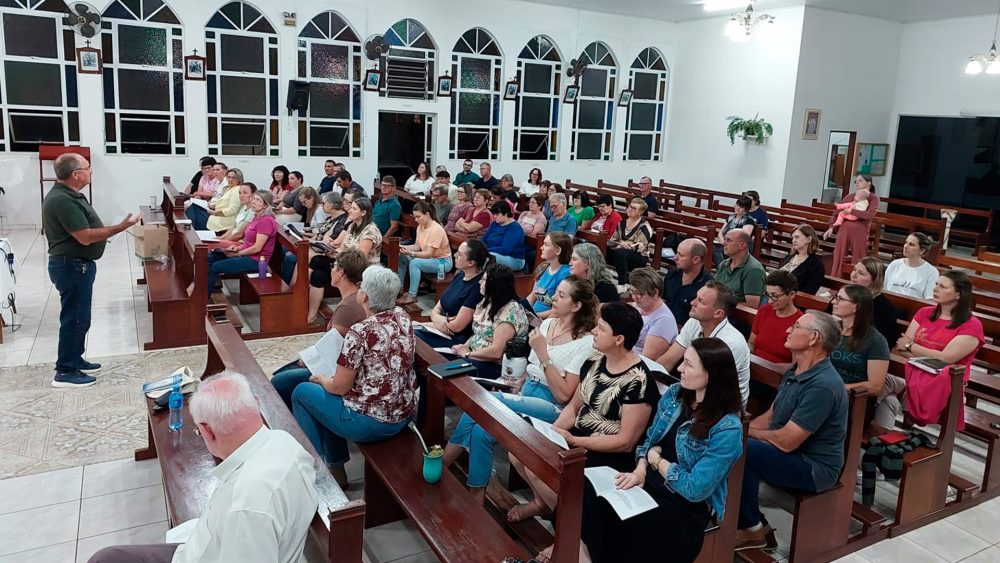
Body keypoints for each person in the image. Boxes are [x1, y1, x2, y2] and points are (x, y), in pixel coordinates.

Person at [88, 373, 319, 563]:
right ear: (256, 405)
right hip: (204, 545)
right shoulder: (284, 441)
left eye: (199, 432)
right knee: (109, 558)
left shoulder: (247, 505)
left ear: (208, 431)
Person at [573, 338, 745, 563]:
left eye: (689, 364)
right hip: (649, 482)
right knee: (588, 493)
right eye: (683, 361)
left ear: (711, 375)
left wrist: (656, 460)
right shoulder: (676, 395)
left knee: (635, 527)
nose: (680, 368)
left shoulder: (727, 429)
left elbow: (695, 488)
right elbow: (648, 441)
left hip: (683, 505)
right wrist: (640, 470)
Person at [443, 276, 598, 503]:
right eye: (556, 292)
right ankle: (476, 497)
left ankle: (444, 461)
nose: (553, 298)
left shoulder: (585, 344)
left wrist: (543, 354)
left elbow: (564, 394)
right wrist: (520, 380)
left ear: (576, 306)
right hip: (526, 390)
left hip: (551, 404)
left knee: (484, 399)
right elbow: (532, 366)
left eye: (561, 295)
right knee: (480, 432)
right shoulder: (547, 324)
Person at [507, 302, 659, 523]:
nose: (594, 331)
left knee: (540, 468)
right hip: (578, 437)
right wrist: (553, 432)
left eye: (601, 329)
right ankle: (544, 504)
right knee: (518, 452)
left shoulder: (639, 381)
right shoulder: (595, 361)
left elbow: (626, 442)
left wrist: (574, 440)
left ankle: (570, 528)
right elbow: (574, 407)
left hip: (607, 452)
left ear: (619, 339)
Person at [292, 267, 417, 483]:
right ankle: (335, 466)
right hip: (402, 414)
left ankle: (314, 472)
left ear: (364, 296)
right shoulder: (402, 316)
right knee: (324, 400)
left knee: (303, 392)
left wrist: (322, 379)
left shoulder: (360, 331)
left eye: (361, 287)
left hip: (370, 422)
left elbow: (339, 388)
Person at [735, 312, 848, 551]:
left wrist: (746, 436)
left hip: (814, 466)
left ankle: (750, 528)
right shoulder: (795, 370)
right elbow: (770, 417)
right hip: (792, 453)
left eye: (795, 326)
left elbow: (787, 441)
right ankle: (745, 519)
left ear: (813, 338)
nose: (788, 330)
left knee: (747, 451)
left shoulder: (824, 385)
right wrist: (739, 430)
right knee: (731, 440)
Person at [43, 154, 141, 387]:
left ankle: (75, 359)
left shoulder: (70, 195)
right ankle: (65, 371)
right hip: (71, 265)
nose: (91, 172)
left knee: (81, 317)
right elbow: (85, 236)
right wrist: (120, 227)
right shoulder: (63, 200)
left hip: (77, 264)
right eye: (88, 168)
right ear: (76, 174)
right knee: (75, 318)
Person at [274, 251, 369, 412]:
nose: (331, 270)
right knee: (285, 371)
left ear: (341, 272)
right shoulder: (352, 299)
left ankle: (291, 420)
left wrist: (308, 360)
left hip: (338, 371)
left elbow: (332, 347)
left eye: (334, 266)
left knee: (279, 381)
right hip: (342, 364)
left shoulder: (349, 307)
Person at [894, 271, 985, 430]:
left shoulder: (971, 325)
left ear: (958, 294)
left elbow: (945, 359)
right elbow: (901, 346)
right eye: (936, 284)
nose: (935, 289)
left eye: (943, 286)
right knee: (883, 395)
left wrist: (911, 347)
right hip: (913, 373)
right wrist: (916, 350)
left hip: (946, 383)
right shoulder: (924, 313)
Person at [655, 281, 750, 405]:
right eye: (696, 297)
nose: (692, 302)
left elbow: (711, 387)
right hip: (694, 392)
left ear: (718, 313)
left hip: (721, 406)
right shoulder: (694, 321)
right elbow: (668, 361)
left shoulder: (732, 343)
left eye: (701, 301)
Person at [448, 264, 531, 380]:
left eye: (483, 280)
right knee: (441, 361)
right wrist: (463, 347)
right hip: (475, 357)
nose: (479, 282)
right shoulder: (487, 302)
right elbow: (478, 333)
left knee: (449, 372)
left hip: (494, 366)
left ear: (494, 285)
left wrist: (467, 354)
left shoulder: (511, 311)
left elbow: (496, 352)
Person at [829, 284, 892, 426]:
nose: (833, 302)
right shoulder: (831, 330)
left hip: (854, 403)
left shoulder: (875, 341)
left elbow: (876, 386)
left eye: (840, 299)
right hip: (824, 392)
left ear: (856, 307)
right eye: (835, 297)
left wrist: (839, 388)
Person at [415, 240, 489, 348]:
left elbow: (456, 327)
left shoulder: (477, 287)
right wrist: (436, 318)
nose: (454, 255)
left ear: (471, 263)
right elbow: (438, 307)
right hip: (439, 327)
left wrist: (426, 324)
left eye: (459, 254)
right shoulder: (459, 276)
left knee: (412, 335)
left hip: (455, 338)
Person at [203, 191, 278, 296]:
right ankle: (203, 291)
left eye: (258, 200)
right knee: (209, 257)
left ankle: (203, 298)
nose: (253, 202)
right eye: (253, 199)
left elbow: (257, 248)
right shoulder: (256, 217)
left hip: (257, 261)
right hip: (246, 254)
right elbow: (248, 243)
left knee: (214, 267)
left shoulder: (266, 221)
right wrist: (237, 248)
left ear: (265, 205)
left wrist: (237, 254)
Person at [396, 201, 453, 304]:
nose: (416, 220)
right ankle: (399, 288)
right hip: (429, 259)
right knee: (402, 257)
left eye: (418, 217)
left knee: (415, 263)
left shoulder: (436, 229)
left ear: (427, 214)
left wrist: (411, 253)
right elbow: (417, 246)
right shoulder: (421, 226)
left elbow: (429, 253)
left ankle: (412, 295)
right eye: (414, 217)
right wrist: (401, 247)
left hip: (442, 261)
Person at [824, 175, 879, 277]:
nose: (857, 183)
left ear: (869, 183)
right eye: (856, 181)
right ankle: (835, 282)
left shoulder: (873, 198)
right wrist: (831, 227)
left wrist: (851, 211)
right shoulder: (849, 196)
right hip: (844, 229)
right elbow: (836, 213)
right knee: (839, 255)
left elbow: (869, 215)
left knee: (859, 257)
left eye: (860, 181)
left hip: (860, 231)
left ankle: (858, 282)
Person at [749, 271, 803, 364]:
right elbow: (751, 343)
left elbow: (796, 365)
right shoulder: (764, 310)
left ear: (792, 294)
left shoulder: (801, 322)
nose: (770, 301)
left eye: (775, 296)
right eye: (768, 295)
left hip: (777, 370)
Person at [848, 257, 903, 342]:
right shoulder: (844, 294)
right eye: (854, 270)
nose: (853, 275)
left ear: (874, 280)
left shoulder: (883, 307)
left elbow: (885, 340)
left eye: (861, 273)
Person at [628, 267, 678, 360]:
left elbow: (646, 359)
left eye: (639, 293)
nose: (634, 297)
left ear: (655, 293)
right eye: (632, 291)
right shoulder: (639, 306)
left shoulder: (663, 321)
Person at [662, 238, 713, 327]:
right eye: (677, 253)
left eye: (681, 255)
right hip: (664, 322)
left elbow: (703, 321)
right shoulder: (672, 274)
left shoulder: (707, 287)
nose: (675, 258)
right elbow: (663, 300)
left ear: (696, 259)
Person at [606, 198, 654, 285]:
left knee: (620, 253)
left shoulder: (645, 227)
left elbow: (640, 246)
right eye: (630, 206)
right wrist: (620, 244)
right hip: (619, 251)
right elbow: (614, 239)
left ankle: (622, 284)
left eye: (634, 208)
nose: (630, 209)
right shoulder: (621, 223)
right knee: (601, 248)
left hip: (639, 257)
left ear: (640, 212)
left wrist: (625, 245)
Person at [526, 232, 573, 318]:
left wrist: (535, 316)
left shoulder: (565, 273)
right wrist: (523, 309)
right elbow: (532, 295)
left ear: (558, 250)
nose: (541, 247)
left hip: (548, 319)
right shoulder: (543, 267)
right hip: (533, 316)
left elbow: (559, 310)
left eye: (546, 245)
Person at [714, 229, 766, 307]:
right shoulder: (723, 264)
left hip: (736, 312)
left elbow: (752, 305)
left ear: (742, 245)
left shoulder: (753, 270)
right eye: (724, 239)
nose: (724, 243)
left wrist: (721, 306)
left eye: (729, 240)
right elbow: (714, 290)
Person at [883, 232, 939, 299]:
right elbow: (884, 289)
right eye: (906, 242)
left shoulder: (931, 272)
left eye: (911, 244)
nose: (906, 246)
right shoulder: (894, 264)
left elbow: (929, 298)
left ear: (922, 250)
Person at [774, 224, 825, 295]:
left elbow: (809, 292)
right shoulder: (790, 256)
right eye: (793, 238)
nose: (793, 240)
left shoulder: (816, 265)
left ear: (809, 239)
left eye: (797, 237)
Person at [329, 196, 382, 264]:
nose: (349, 211)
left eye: (354, 209)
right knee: (319, 260)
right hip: (347, 262)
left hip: (363, 267)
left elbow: (361, 258)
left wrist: (338, 257)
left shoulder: (370, 231)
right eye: (351, 208)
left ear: (363, 212)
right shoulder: (352, 225)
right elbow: (342, 248)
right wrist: (333, 252)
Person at [712, 195, 757, 266]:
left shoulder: (748, 220)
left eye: (741, 207)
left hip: (736, 247)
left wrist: (727, 243)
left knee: (714, 250)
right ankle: (724, 267)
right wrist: (723, 241)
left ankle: (724, 268)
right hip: (725, 244)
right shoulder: (731, 217)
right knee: (708, 247)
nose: (738, 208)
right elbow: (721, 232)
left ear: (746, 209)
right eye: (737, 205)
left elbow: (743, 238)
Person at [481, 201, 526, 271]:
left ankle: (481, 277)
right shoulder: (495, 224)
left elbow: (505, 249)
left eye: (497, 214)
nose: (494, 216)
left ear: (506, 213)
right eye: (494, 214)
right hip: (492, 253)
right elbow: (484, 240)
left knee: (486, 257)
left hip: (514, 259)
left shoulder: (514, 228)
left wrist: (485, 251)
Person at [206, 168, 245, 233]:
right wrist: (212, 206)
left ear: (239, 179)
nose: (230, 180)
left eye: (233, 178)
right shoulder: (229, 188)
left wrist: (214, 213)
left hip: (225, 222)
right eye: (229, 177)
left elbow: (232, 210)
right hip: (217, 218)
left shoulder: (237, 190)